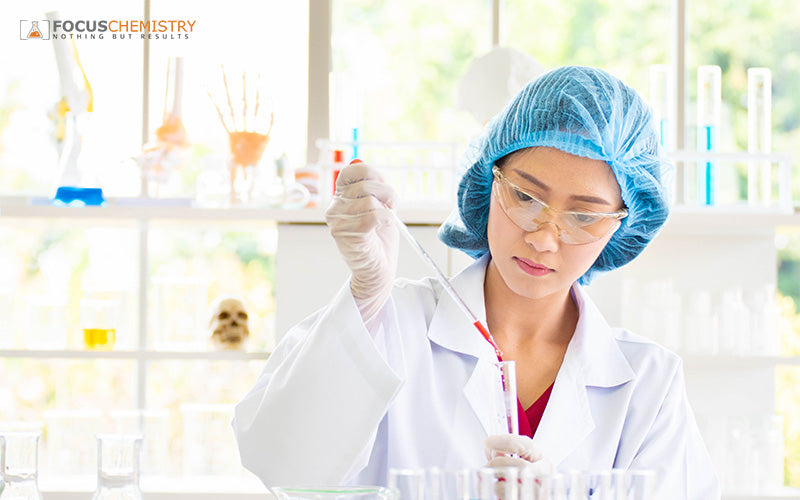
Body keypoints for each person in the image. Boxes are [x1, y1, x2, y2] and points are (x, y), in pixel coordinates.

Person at [232, 65, 721, 499]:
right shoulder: (389, 325)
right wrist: (365, 294)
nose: (544, 238)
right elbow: (282, 464)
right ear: (488, 181)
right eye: (527, 197)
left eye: (582, 216)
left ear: (623, 224)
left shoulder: (648, 386)